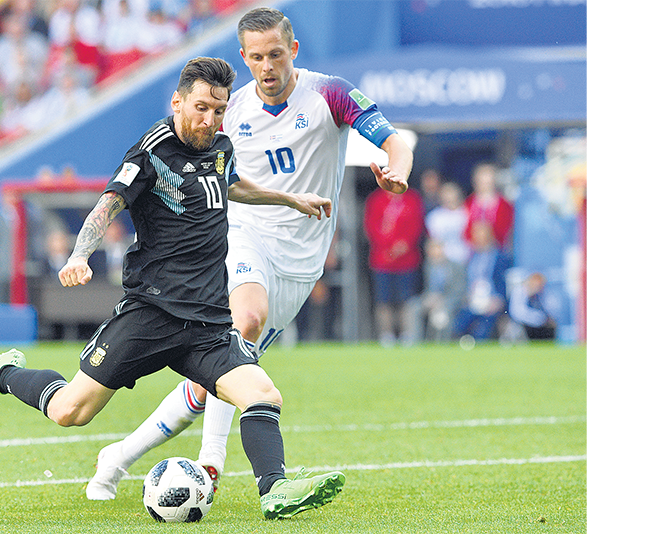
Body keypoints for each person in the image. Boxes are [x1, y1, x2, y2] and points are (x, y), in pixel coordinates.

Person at [0, 57, 346, 520]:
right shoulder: (151, 151)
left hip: (207, 323)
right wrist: (79, 255)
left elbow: (232, 184)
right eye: (200, 107)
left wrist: (290, 198)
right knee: (69, 412)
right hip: (150, 314)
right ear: (177, 101)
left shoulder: (220, 145)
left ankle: (275, 490)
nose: (209, 119)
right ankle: (2, 374)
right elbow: (107, 205)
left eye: (218, 110)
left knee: (263, 395)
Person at [85, 7, 413, 500]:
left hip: (302, 261)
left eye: (276, 55)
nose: (267, 67)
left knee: (219, 377)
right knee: (247, 322)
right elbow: (193, 168)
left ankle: (118, 456)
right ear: (244, 57)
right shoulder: (229, 110)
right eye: (257, 57)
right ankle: (211, 461)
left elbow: (393, 141)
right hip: (244, 236)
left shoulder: (330, 93)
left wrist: (397, 170)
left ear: (293, 51)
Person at [363, 186, 425, 347]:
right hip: (382, 259)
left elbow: (417, 224)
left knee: (406, 299)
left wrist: (404, 244)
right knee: (384, 300)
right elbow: (371, 226)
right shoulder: (376, 199)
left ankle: (407, 334)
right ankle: (386, 335)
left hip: (407, 259)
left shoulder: (412, 198)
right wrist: (388, 246)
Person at [453, 221, 510, 341]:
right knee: (458, 327)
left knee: (482, 333)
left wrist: (499, 300)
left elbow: (504, 282)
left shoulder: (500, 257)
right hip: (473, 300)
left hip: (492, 301)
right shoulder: (472, 256)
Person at [464, 162, 514, 251]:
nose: (485, 186)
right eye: (482, 182)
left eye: (488, 182)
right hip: (472, 250)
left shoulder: (504, 205)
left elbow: (505, 230)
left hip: (496, 250)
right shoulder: (468, 203)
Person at [505, 271, 557, 341]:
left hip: (542, 324)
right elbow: (517, 313)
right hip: (524, 324)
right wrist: (539, 318)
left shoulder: (543, 294)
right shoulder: (519, 292)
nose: (537, 288)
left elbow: (551, 309)